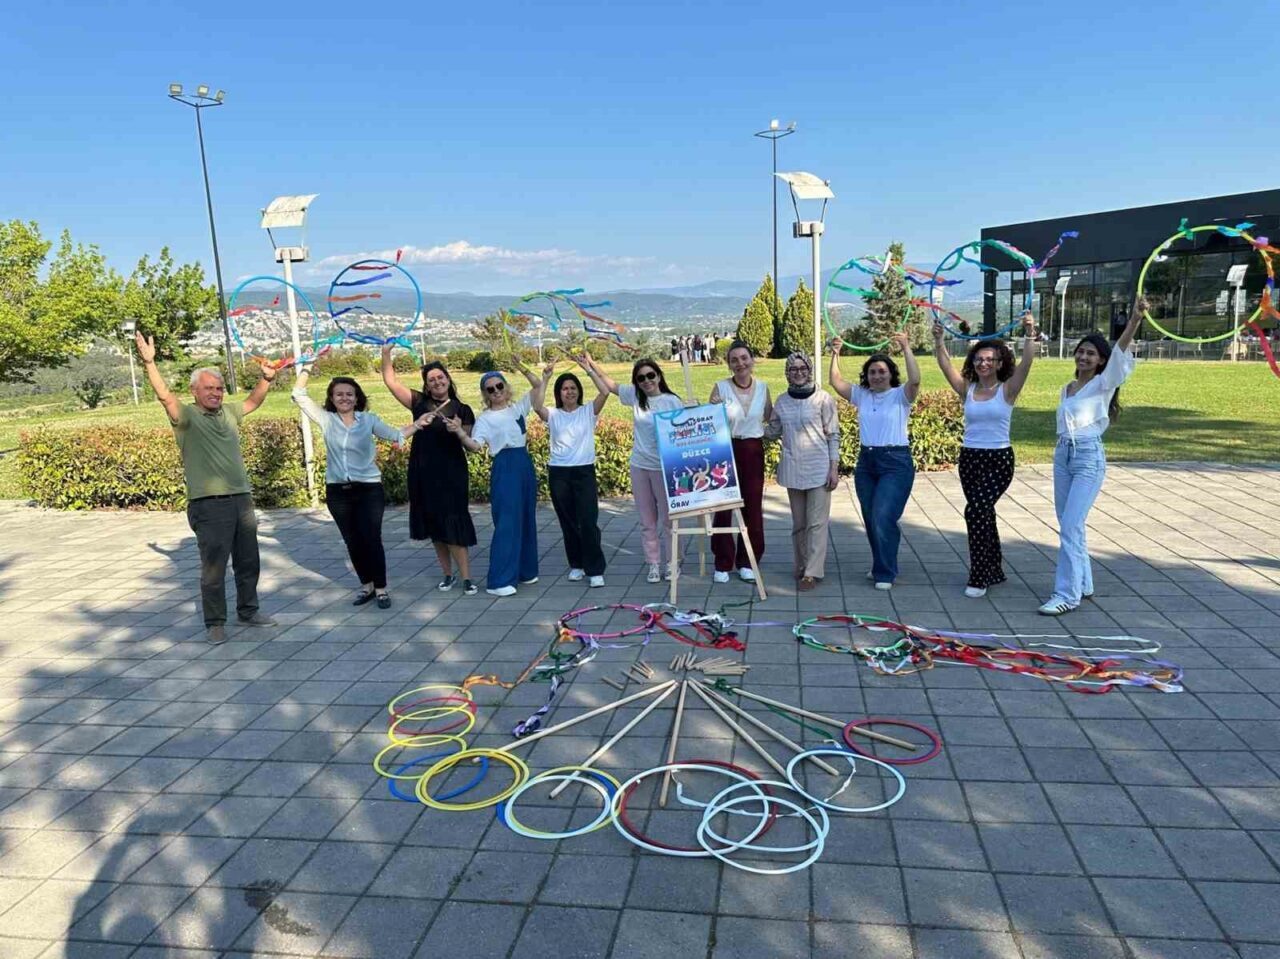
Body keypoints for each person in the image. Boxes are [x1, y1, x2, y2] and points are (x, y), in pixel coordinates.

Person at [135, 333, 278, 644]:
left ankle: (248, 610)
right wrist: (149, 363)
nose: (216, 393)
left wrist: (266, 379)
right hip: (208, 504)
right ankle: (215, 622)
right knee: (214, 568)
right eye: (209, 388)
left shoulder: (228, 413)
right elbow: (164, 396)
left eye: (219, 388)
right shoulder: (185, 417)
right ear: (194, 391)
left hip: (241, 500)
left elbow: (253, 401)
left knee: (248, 560)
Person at [1038, 298, 1146, 615]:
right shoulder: (1067, 388)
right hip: (1063, 456)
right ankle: (1083, 583)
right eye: (1081, 351)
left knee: (1070, 526)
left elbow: (1121, 350)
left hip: (1088, 458)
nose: (1084, 356)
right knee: (1070, 523)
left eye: (1091, 353)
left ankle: (1066, 595)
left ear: (1101, 361)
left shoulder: (1103, 384)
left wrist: (1134, 320)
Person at [292, 366, 423, 608]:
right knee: (352, 540)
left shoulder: (368, 420)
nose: (344, 398)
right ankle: (367, 586)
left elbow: (395, 435)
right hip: (338, 492)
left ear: (357, 397)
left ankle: (381, 588)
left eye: (349, 394)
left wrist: (418, 424)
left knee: (371, 538)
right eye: (339, 394)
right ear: (331, 398)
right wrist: (308, 367)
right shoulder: (326, 419)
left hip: (369, 490)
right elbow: (298, 394)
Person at [931, 312, 1038, 598]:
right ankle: (995, 569)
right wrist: (939, 340)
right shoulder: (968, 389)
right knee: (983, 511)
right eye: (979, 359)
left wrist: (1030, 333)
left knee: (975, 509)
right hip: (970, 459)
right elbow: (944, 366)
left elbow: (1027, 364)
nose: (984, 363)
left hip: (999, 460)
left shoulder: (1008, 389)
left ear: (1000, 362)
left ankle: (979, 577)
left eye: (990, 359)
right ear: (973, 362)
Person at [381, 348, 479, 595]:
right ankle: (448, 575)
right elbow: (390, 381)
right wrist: (386, 353)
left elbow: (471, 446)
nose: (437, 382)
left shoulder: (463, 409)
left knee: (454, 522)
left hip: (452, 473)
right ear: (426, 385)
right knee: (435, 525)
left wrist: (458, 430)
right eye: (431, 379)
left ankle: (467, 577)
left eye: (440, 377)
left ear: (448, 379)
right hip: (423, 472)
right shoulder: (419, 403)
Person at [829, 332, 921, 590]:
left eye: (882, 371)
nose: (877, 376)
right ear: (866, 376)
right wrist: (835, 352)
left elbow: (915, 379)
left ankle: (885, 571)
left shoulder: (901, 395)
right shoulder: (862, 395)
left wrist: (905, 346)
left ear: (891, 374)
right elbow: (835, 381)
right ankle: (882, 561)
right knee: (871, 517)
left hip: (896, 462)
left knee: (883, 515)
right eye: (872, 372)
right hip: (867, 462)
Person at [580, 355, 685, 583]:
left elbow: (684, 434)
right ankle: (653, 564)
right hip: (640, 466)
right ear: (636, 382)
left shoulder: (672, 401)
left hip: (664, 468)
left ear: (659, 376)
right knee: (647, 521)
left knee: (669, 521)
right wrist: (590, 365)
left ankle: (673, 562)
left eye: (650, 375)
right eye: (641, 378)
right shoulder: (636, 398)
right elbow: (610, 385)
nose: (647, 381)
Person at [447, 362, 549, 597]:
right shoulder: (485, 419)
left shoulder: (518, 408)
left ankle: (526, 571)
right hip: (505, 466)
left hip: (524, 463)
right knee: (507, 521)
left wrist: (523, 367)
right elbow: (475, 446)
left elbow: (537, 385)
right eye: (490, 389)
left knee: (526, 517)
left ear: (506, 386)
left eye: (499, 386)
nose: (496, 391)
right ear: (485, 394)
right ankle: (499, 580)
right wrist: (460, 432)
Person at [765, 350, 839, 591]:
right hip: (792, 468)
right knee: (798, 524)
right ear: (787, 372)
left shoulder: (823, 399)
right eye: (793, 369)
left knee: (816, 523)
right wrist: (740, 426)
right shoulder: (782, 401)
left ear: (809, 370)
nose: (798, 373)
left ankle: (812, 572)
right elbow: (772, 431)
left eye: (803, 368)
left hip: (818, 468)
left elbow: (833, 435)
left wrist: (834, 467)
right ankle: (800, 564)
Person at [535, 357, 610, 587]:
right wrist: (546, 378)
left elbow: (605, 392)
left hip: (584, 471)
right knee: (568, 522)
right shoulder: (553, 414)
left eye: (573, 388)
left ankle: (595, 569)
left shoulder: (588, 411)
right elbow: (537, 406)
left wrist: (588, 370)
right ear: (559, 392)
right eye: (565, 388)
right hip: (559, 473)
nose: (569, 392)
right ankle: (576, 565)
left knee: (588, 521)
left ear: (579, 391)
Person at [708, 340, 771, 583]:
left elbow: (769, 419)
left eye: (744, 358)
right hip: (725, 448)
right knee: (723, 507)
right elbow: (709, 421)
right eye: (734, 360)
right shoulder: (720, 388)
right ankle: (723, 562)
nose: (740, 363)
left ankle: (748, 560)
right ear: (729, 364)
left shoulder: (764, 388)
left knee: (752, 508)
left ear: (752, 359)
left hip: (753, 450)